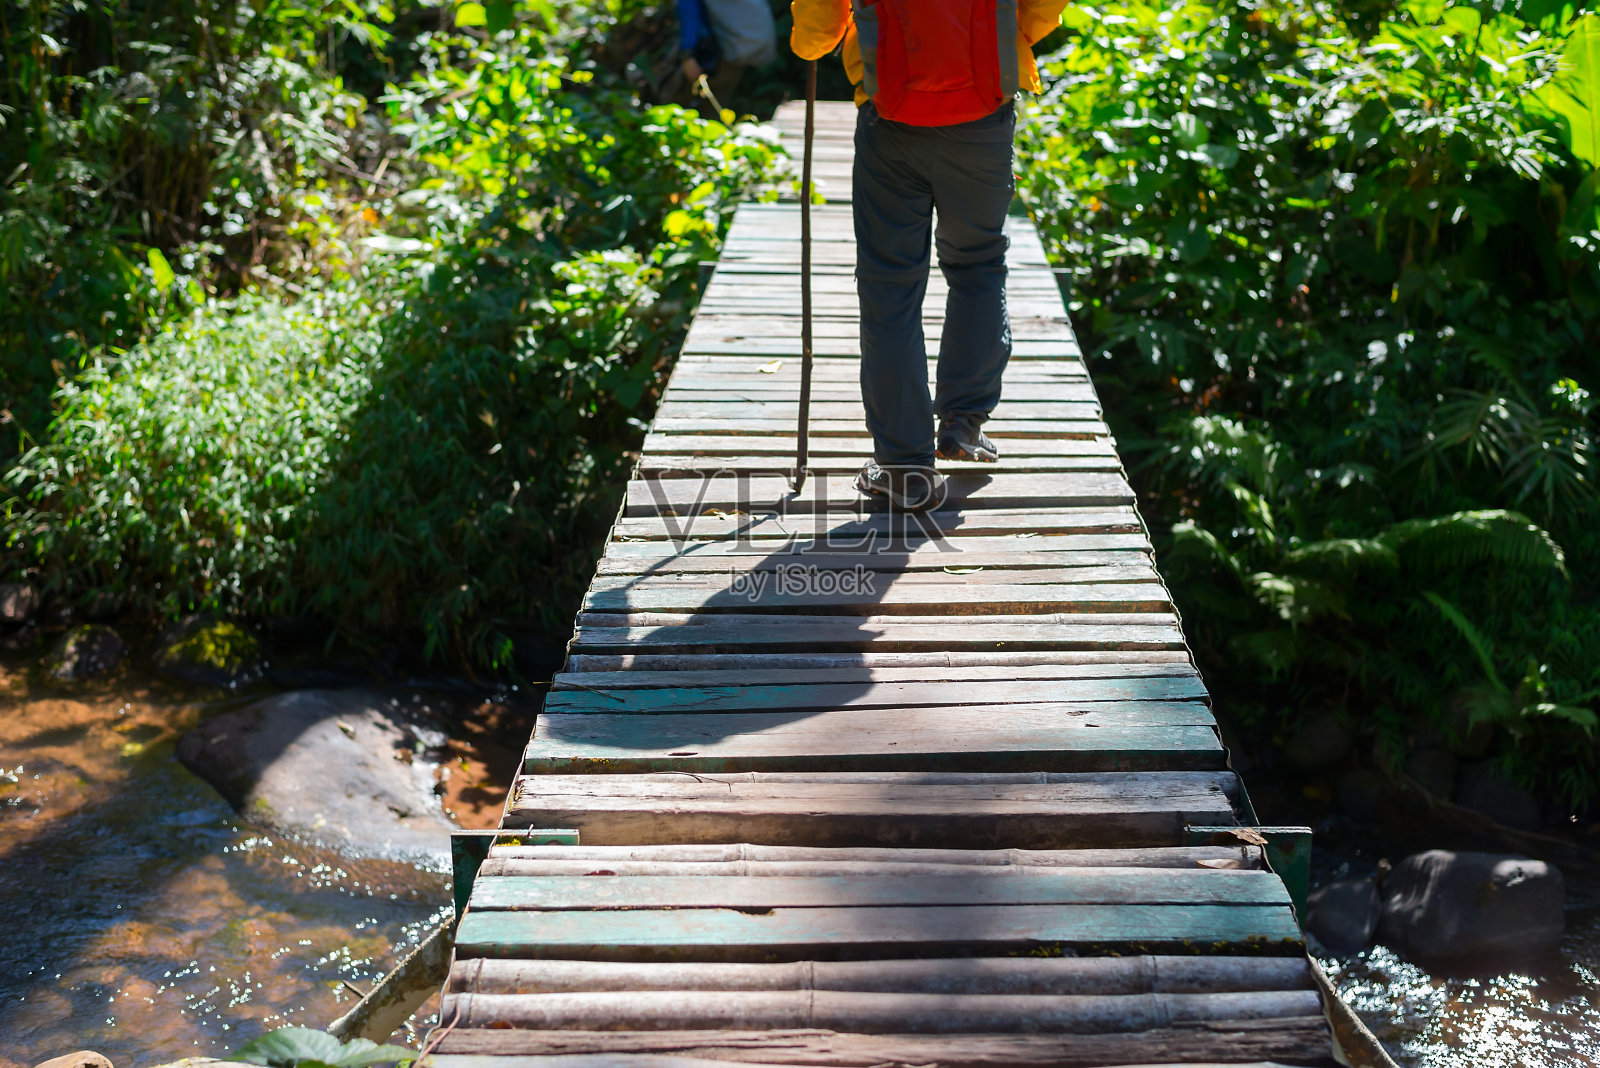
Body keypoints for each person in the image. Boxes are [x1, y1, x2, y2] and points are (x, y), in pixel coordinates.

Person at [789, 0, 1067, 510]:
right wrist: (1005, 36)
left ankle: (902, 466)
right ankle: (963, 423)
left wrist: (820, 37)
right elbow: (1044, 8)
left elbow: (815, 37)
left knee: (890, 287)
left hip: (891, 120)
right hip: (984, 112)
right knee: (978, 264)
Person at [672, 0, 777, 118]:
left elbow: (689, 13)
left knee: (683, 112)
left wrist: (687, 54)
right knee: (716, 111)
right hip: (736, 50)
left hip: (712, 57)